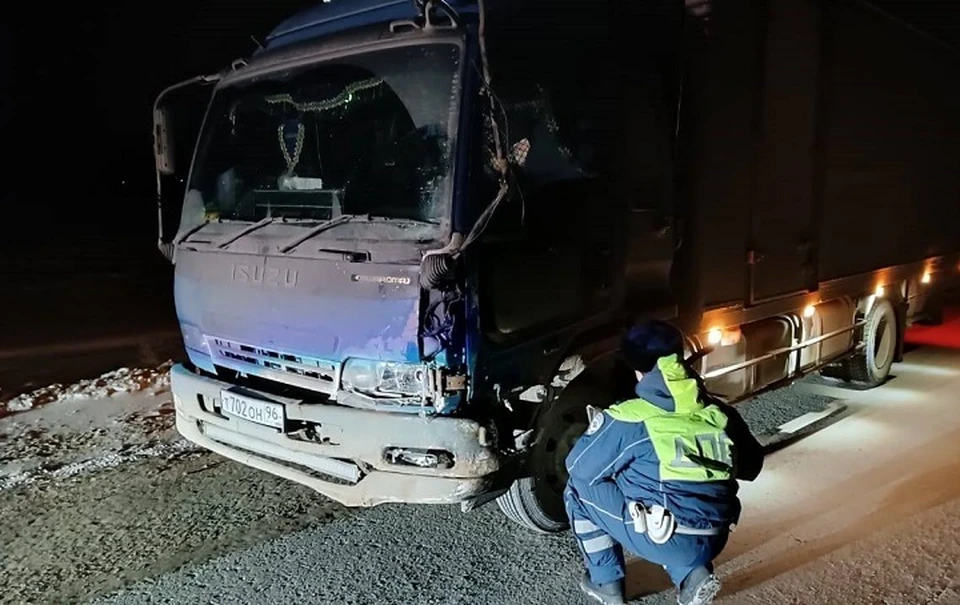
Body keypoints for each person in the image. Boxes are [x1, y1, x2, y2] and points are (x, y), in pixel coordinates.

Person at [564, 320, 764, 605]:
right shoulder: (718, 411)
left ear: (636, 370)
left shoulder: (632, 418)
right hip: (716, 534)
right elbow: (752, 466)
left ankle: (606, 584)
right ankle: (693, 575)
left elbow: (578, 466)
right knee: (666, 482)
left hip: (666, 535)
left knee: (576, 490)